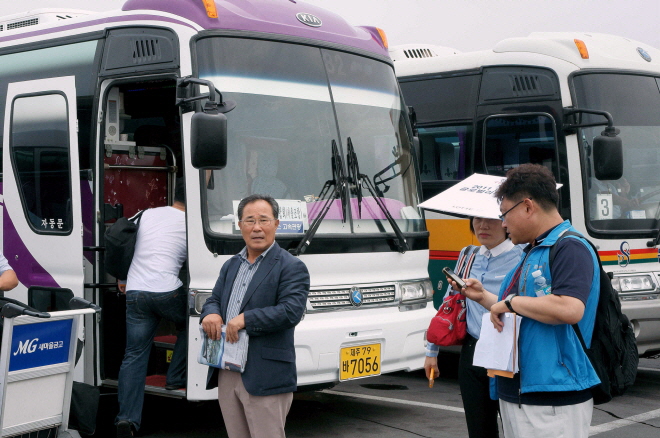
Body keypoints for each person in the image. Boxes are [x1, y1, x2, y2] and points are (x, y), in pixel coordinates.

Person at [450, 164, 600, 438]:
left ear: (528, 207)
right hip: (521, 389)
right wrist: (483, 297)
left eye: (505, 214)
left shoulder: (569, 247)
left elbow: (569, 308)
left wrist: (510, 302)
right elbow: (523, 310)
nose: (503, 224)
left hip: (553, 393)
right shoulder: (533, 249)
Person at [200, 194, 310, 438]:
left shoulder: (291, 266)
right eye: (250, 221)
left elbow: (291, 311)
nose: (257, 227)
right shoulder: (231, 265)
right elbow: (214, 299)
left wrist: (246, 319)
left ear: (276, 224)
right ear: (240, 225)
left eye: (264, 220)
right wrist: (211, 314)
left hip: (265, 373)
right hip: (228, 368)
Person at [424, 217, 522, 438]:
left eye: (491, 220)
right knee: (478, 429)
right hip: (472, 350)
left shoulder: (522, 255)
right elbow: (448, 304)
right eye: (477, 219)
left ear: (506, 222)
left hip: (507, 352)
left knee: (514, 428)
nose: (482, 226)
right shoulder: (468, 254)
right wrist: (432, 351)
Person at [115, 179, 188, 438]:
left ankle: (127, 419)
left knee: (134, 355)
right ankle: (176, 377)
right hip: (168, 291)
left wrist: (122, 277)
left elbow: (122, 241)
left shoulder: (146, 213)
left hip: (135, 291)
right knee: (194, 323)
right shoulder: (193, 223)